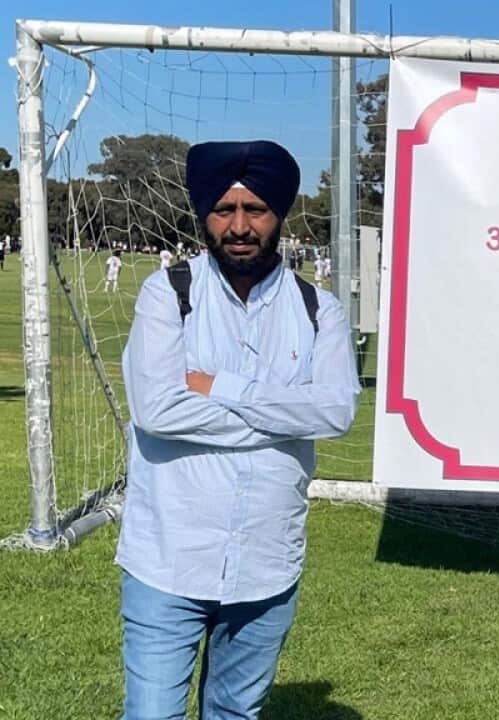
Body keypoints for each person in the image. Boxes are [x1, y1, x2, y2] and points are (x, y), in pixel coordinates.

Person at [117, 140, 360, 719]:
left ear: (280, 215)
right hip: (169, 557)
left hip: (266, 563)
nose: (240, 226)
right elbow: (157, 410)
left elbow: (336, 413)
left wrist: (222, 388)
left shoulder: (318, 310)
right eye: (225, 210)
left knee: (235, 714)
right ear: (205, 216)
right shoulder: (169, 294)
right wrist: (282, 418)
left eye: (256, 210)